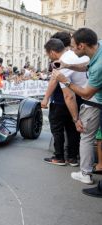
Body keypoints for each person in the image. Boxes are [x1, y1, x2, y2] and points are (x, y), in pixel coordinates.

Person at [53, 28, 102, 186]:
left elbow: (86, 94)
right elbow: (87, 66)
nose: (71, 50)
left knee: (86, 137)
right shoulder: (98, 47)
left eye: (73, 46)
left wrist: (65, 79)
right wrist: (67, 65)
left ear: (82, 46)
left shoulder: (99, 67)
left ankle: (85, 174)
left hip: (95, 102)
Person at [42, 34, 82, 167]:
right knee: (72, 129)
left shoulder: (61, 62)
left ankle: (59, 157)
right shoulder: (72, 55)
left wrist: (46, 98)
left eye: (48, 54)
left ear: (53, 52)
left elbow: (67, 94)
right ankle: (72, 157)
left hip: (63, 102)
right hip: (79, 98)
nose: (49, 57)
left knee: (58, 128)